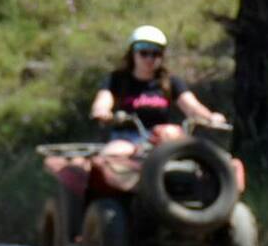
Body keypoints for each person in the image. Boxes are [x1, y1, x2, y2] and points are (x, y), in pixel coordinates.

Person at [88, 25, 229, 156]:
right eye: (144, 52)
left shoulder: (170, 81)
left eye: (156, 54)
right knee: (114, 155)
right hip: (126, 138)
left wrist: (210, 117)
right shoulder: (117, 79)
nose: (150, 58)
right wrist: (101, 111)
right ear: (132, 54)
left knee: (190, 152)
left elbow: (192, 107)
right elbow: (103, 100)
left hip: (162, 139)